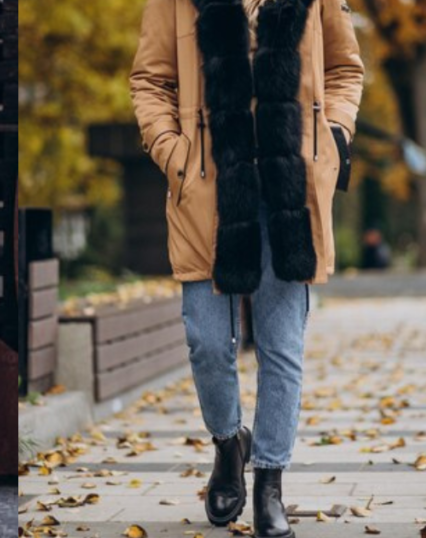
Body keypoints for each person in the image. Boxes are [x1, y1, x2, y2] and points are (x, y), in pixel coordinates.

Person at [130, 0, 364, 537]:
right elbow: (150, 80)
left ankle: (270, 485)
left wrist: (334, 136)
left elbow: (346, 68)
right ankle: (228, 442)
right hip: (210, 188)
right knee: (207, 341)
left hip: (291, 189)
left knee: (282, 347)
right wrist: (174, 154)